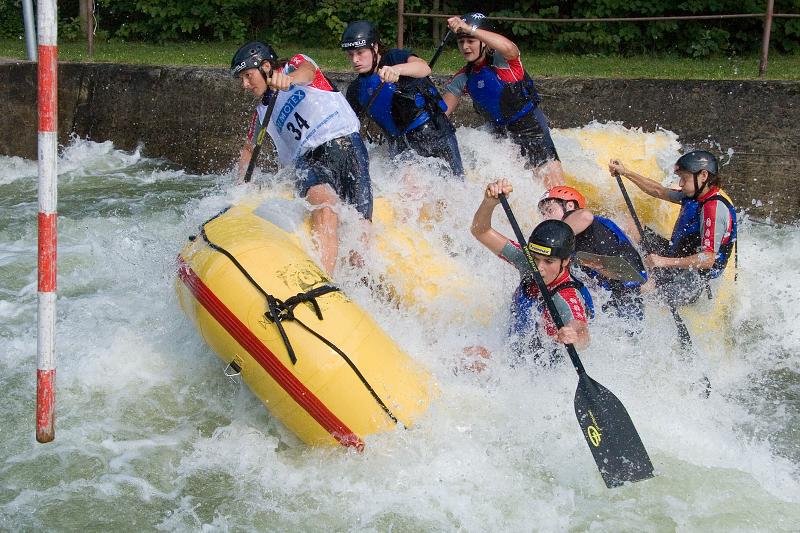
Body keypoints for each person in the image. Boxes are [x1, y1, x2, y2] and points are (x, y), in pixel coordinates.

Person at [231, 41, 373, 275]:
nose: (245, 85)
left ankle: (360, 280)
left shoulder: (294, 65)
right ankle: (323, 281)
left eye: (247, 76)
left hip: (346, 144)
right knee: (326, 205)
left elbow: (309, 72)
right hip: (309, 162)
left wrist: (290, 79)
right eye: (241, 79)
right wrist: (240, 188)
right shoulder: (261, 113)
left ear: (266, 66)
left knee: (361, 230)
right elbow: (248, 149)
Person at [471, 178, 590, 364]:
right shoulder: (527, 261)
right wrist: (489, 203)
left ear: (565, 261)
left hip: (541, 369)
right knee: (469, 355)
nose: (539, 268)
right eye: (536, 259)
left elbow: (581, 330)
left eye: (549, 261)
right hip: (513, 354)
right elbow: (481, 231)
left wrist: (573, 335)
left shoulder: (567, 295)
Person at [443, 13, 564, 189]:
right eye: (461, 42)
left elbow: (510, 48)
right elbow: (441, 112)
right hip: (499, 135)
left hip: (531, 129)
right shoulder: (463, 77)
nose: (465, 47)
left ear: (483, 41)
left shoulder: (505, 63)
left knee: (555, 192)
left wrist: (470, 29)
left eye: (471, 41)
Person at [608, 150, 737, 306]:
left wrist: (663, 262)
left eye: (684, 178)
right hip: (675, 257)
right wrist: (625, 172)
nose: (681, 184)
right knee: (629, 225)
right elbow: (659, 191)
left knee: (634, 292)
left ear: (703, 176)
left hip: (692, 278)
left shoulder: (713, 208)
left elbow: (708, 259)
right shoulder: (694, 196)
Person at [341, 20, 464, 178]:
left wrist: (396, 70)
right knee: (408, 189)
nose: (355, 60)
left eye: (360, 53)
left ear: (375, 48)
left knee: (454, 185)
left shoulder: (394, 58)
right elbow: (349, 129)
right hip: (399, 146)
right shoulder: (355, 89)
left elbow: (424, 68)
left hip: (433, 135)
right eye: (350, 55)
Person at [538, 185, 647, 326]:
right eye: (543, 214)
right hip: (612, 295)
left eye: (550, 210)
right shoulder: (570, 241)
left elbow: (585, 216)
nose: (545, 217)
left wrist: (552, 239)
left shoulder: (581, 219)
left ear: (570, 205)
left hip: (626, 294)